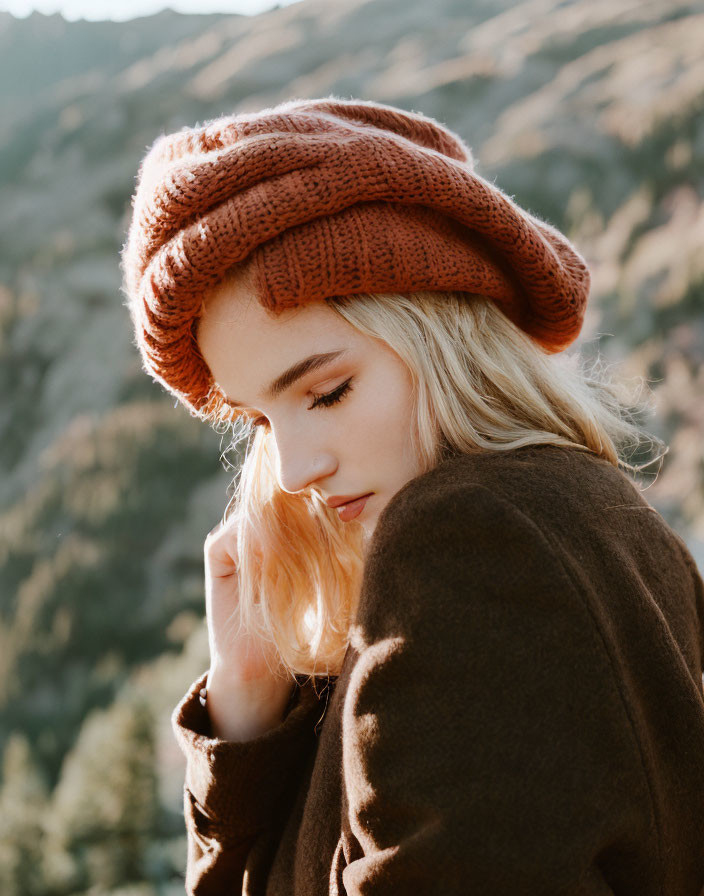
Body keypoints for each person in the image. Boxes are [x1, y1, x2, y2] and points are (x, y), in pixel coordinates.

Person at [119, 96, 704, 895]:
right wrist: (246, 714)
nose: (292, 471)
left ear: (440, 335)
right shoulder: (599, 515)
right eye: (261, 419)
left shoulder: (468, 540)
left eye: (327, 392)